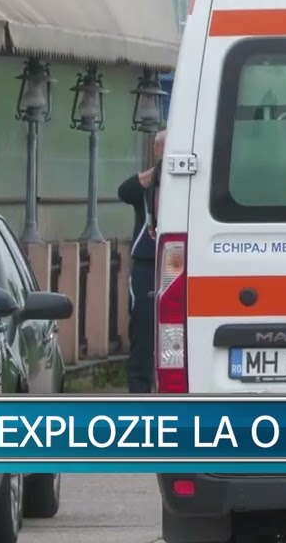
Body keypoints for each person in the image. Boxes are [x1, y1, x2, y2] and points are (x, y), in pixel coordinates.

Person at [118, 130, 165, 393]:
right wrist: (156, 173)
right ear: (157, 150)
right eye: (166, 147)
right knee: (143, 327)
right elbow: (124, 191)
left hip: (179, 261)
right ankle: (139, 392)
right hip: (147, 262)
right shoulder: (147, 183)